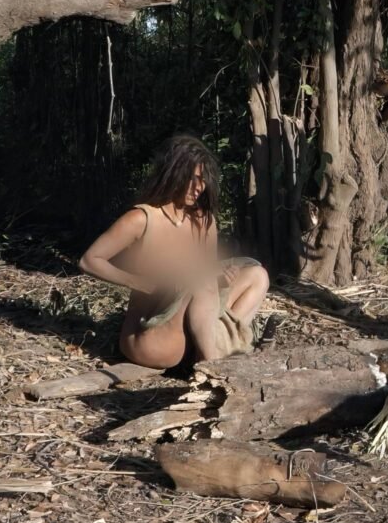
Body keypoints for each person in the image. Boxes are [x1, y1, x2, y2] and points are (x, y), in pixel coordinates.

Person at [79, 135, 270, 369]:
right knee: (201, 281)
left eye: (204, 181)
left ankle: (226, 346)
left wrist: (223, 278)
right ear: (174, 173)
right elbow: (90, 260)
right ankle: (216, 368)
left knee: (257, 275)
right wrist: (139, 282)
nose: (200, 187)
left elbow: (206, 277)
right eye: (195, 179)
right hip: (151, 336)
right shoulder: (142, 219)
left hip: (194, 329)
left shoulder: (204, 221)